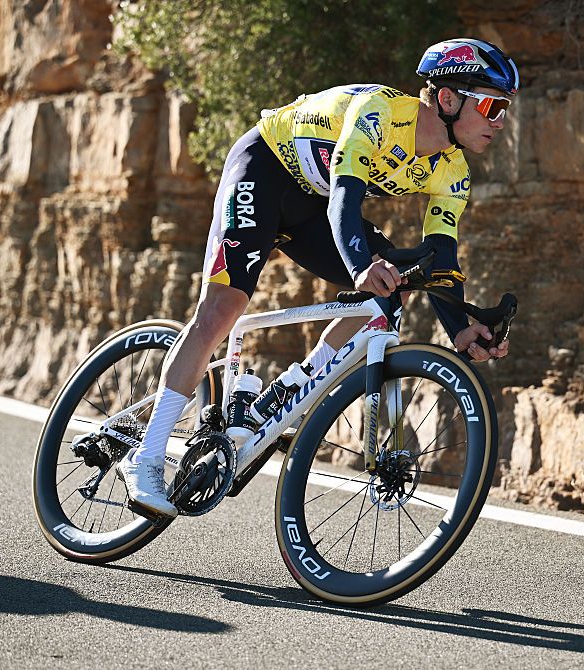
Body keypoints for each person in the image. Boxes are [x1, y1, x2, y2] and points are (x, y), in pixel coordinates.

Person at [117, 38, 519, 518]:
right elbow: (344, 203)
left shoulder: (453, 171)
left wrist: (461, 328)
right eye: (492, 106)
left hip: (310, 205)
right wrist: (360, 267)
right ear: (449, 98)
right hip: (263, 170)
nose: (500, 121)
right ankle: (146, 457)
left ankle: (287, 391)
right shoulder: (379, 115)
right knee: (224, 307)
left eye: (505, 110)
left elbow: (440, 259)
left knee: (393, 295)